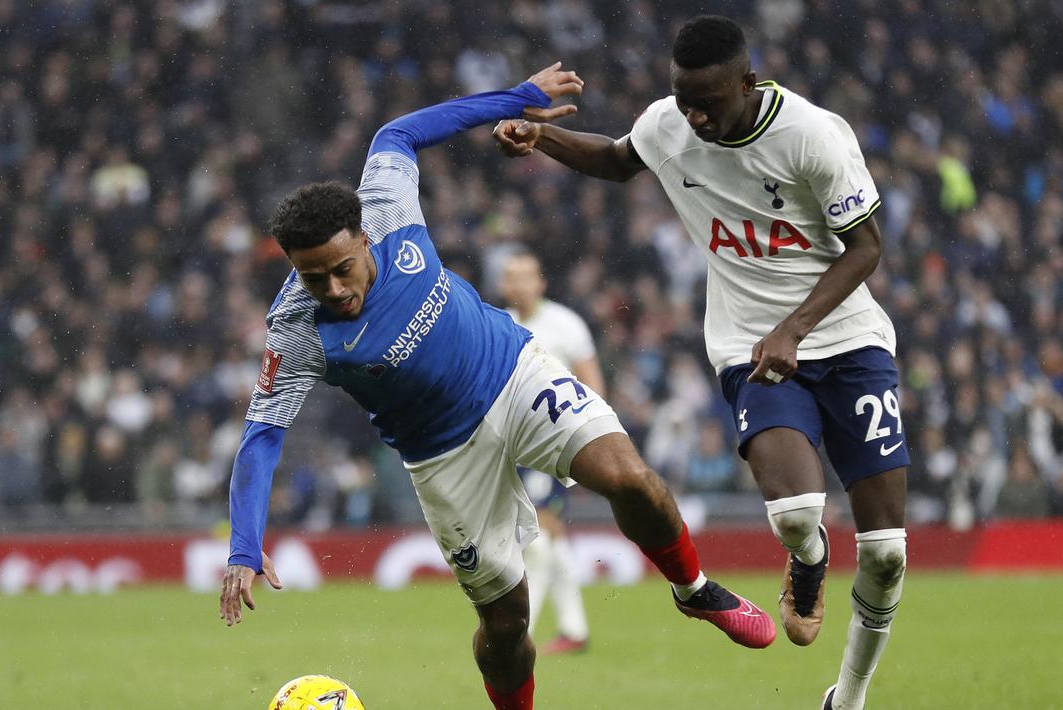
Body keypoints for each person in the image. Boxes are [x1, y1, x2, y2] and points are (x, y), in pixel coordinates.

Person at [218, 63, 776, 710]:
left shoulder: (388, 205)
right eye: (314, 279)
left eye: (343, 269)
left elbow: (397, 132)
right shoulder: (294, 330)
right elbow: (261, 436)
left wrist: (520, 98)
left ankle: (694, 589)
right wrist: (243, 545)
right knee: (506, 621)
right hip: (442, 456)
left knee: (629, 478)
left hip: (512, 373)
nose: (334, 290)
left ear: (365, 238)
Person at [493, 17, 909, 710]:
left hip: (849, 342)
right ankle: (806, 558)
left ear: (748, 82)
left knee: (888, 551)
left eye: (709, 100)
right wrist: (544, 137)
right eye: (683, 97)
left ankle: (849, 698)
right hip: (748, 344)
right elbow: (618, 159)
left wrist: (796, 327)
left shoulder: (811, 134)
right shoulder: (670, 124)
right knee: (797, 513)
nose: (695, 115)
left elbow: (865, 246)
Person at [499, 251, 601, 655]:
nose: (518, 284)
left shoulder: (565, 325)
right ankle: (575, 631)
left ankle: (520, 634)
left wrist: (591, 444)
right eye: (511, 276)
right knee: (551, 541)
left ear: (541, 282)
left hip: (555, 445)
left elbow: (593, 384)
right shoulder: (500, 323)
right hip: (513, 448)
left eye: (525, 276)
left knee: (538, 539)